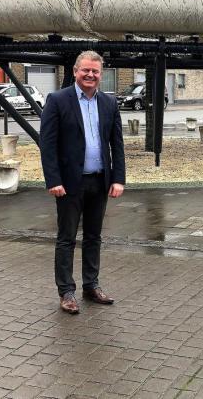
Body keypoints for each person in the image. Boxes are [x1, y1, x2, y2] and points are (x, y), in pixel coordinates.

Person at [40, 50, 125, 314]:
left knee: (93, 237)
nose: (90, 75)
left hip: (99, 181)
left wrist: (118, 178)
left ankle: (91, 285)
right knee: (66, 238)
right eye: (85, 70)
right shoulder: (57, 100)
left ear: (101, 74)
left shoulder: (109, 104)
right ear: (76, 71)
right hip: (68, 184)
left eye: (95, 71)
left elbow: (117, 144)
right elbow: (48, 144)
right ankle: (66, 291)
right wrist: (53, 179)